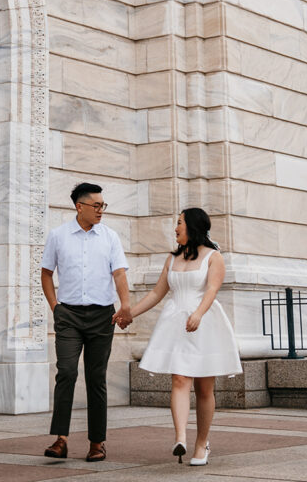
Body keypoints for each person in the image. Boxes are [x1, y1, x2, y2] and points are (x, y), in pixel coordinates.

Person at [115, 207, 241, 467]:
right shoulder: (172, 258)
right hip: (175, 324)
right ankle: (180, 437)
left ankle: (201, 443)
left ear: (192, 226)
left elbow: (212, 290)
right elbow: (157, 293)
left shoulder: (213, 257)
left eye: (179, 223)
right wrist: (129, 314)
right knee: (180, 378)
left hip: (204, 324)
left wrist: (198, 314)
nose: (175, 228)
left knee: (204, 388)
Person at [41, 181, 132, 462]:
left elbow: (118, 274)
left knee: (96, 378)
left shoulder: (110, 237)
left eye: (103, 205)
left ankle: (97, 442)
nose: (101, 210)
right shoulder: (58, 236)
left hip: (101, 316)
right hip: (68, 315)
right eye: (96, 205)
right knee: (66, 372)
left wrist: (126, 304)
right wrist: (56, 308)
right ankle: (61, 440)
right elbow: (46, 273)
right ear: (79, 206)